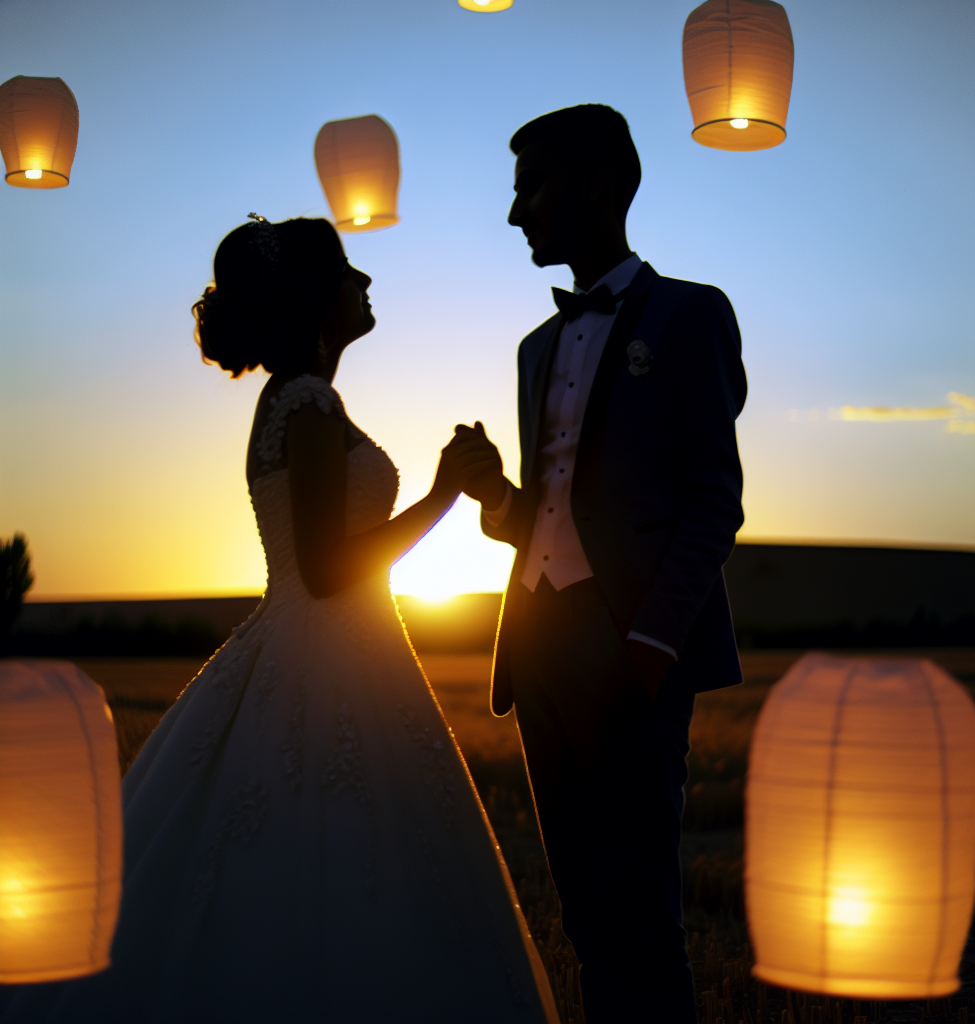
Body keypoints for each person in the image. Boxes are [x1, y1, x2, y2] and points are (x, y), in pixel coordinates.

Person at [4, 215, 557, 1024]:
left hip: (319, 644)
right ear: (315, 300)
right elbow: (330, 571)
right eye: (347, 270)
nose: (364, 282)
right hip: (328, 650)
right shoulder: (307, 403)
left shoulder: (300, 400)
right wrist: (442, 495)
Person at [459, 105, 748, 1023]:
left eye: (529, 188)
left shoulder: (693, 314)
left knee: (644, 925)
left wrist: (651, 648)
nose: (516, 215)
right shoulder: (534, 348)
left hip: (631, 657)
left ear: (596, 184)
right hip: (537, 653)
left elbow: (715, 499)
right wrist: (491, 492)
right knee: (586, 915)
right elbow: (544, 519)